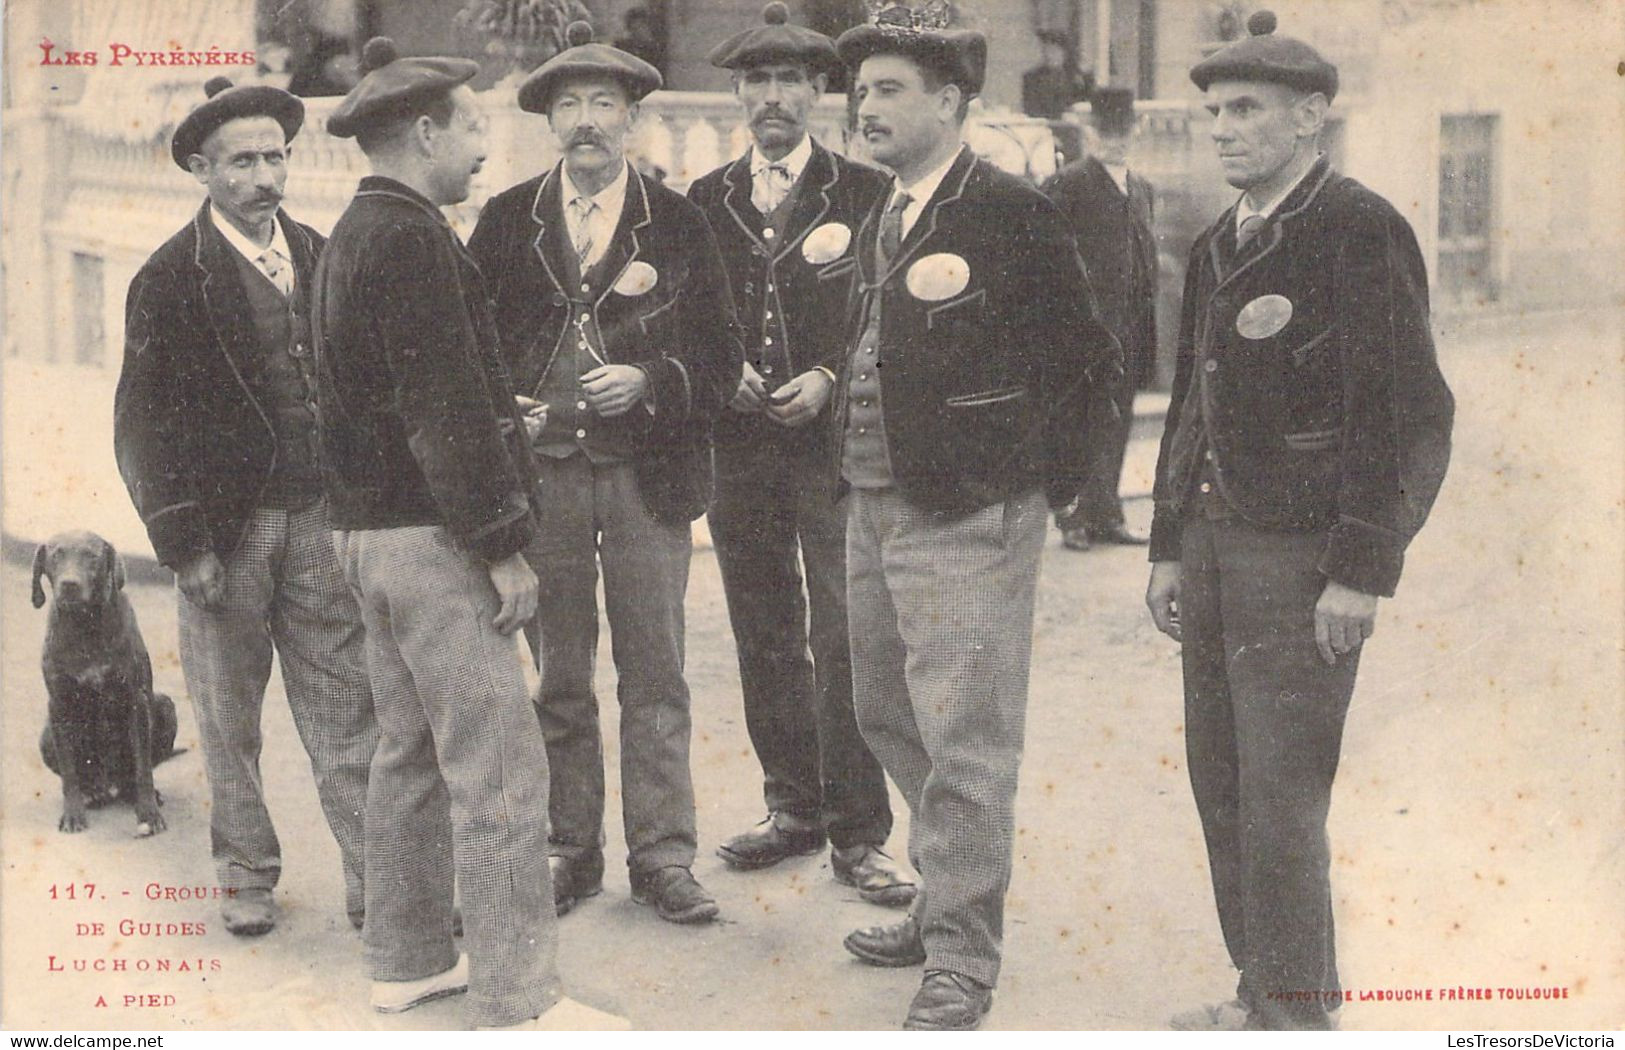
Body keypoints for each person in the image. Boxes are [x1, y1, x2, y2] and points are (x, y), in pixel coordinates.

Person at [1145, 11, 1454, 1031]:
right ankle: (1261, 988)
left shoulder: (1356, 227)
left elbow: (1404, 415)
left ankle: (1291, 1010)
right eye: (1211, 113)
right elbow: (1192, 403)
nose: (1220, 130)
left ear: (1308, 117)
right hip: (1211, 542)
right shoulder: (1212, 243)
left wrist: (1358, 572)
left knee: (1280, 797)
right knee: (1220, 781)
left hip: (1298, 557)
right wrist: (1162, 546)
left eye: (1244, 111)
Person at [315, 37, 624, 1029]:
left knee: (406, 758)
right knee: (499, 770)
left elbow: (390, 398)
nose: (484, 144)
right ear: (422, 131)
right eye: (471, 124)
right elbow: (438, 409)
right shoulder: (414, 239)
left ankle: (404, 962)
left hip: (368, 537)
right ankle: (522, 999)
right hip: (434, 543)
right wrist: (499, 540)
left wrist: (501, 423)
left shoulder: (355, 229)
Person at [829, 4, 1121, 1030]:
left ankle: (959, 954)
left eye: (889, 90)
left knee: (965, 739)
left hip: (965, 513)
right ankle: (937, 896)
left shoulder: (1009, 210)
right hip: (870, 503)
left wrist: (1033, 485)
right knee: (884, 714)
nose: (865, 107)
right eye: (860, 90)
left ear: (951, 102)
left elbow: (1085, 359)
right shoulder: (886, 207)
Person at [467, 22, 740, 926]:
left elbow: (722, 354)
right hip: (543, 481)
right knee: (558, 676)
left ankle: (663, 858)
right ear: (549, 119)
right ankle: (568, 848)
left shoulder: (681, 220)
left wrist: (653, 379)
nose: (587, 122)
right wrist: (512, 406)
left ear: (631, 120)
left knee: (656, 676)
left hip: (645, 481)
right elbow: (472, 354)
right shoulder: (508, 220)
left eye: (604, 106)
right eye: (570, 105)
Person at [114, 77, 376, 938]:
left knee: (346, 709)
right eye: (243, 162)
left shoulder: (321, 249)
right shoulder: (168, 278)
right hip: (227, 533)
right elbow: (143, 426)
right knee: (229, 716)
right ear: (201, 169)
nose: (266, 176)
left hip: (320, 519)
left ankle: (379, 881)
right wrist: (184, 542)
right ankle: (245, 874)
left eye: (276, 156)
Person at [686, 1, 913, 907]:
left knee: (844, 633)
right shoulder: (704, 200)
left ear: (823, 94)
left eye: (791, 82)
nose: (773, 98)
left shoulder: (863, 193)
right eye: (757, 81)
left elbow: (884, 312)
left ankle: (861, 834)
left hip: (830, 450)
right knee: (763, 631)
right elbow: (685, 314)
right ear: (738, 93)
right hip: (739, 451)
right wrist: (720, 368)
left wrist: (825, 373)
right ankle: (792, 807)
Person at [1042, 86, 1158, 549]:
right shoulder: (1067, 184)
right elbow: (1048, 257)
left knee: (1118, 418)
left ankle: (1107, 514)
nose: (1115, 139)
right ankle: (1072, 518)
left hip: (1128, 327)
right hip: (1081, 328)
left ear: (1137, 129)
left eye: (1123, 130)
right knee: (1077, 420)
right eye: (1105, 130)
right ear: (1090, 131)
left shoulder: (1142, 187)